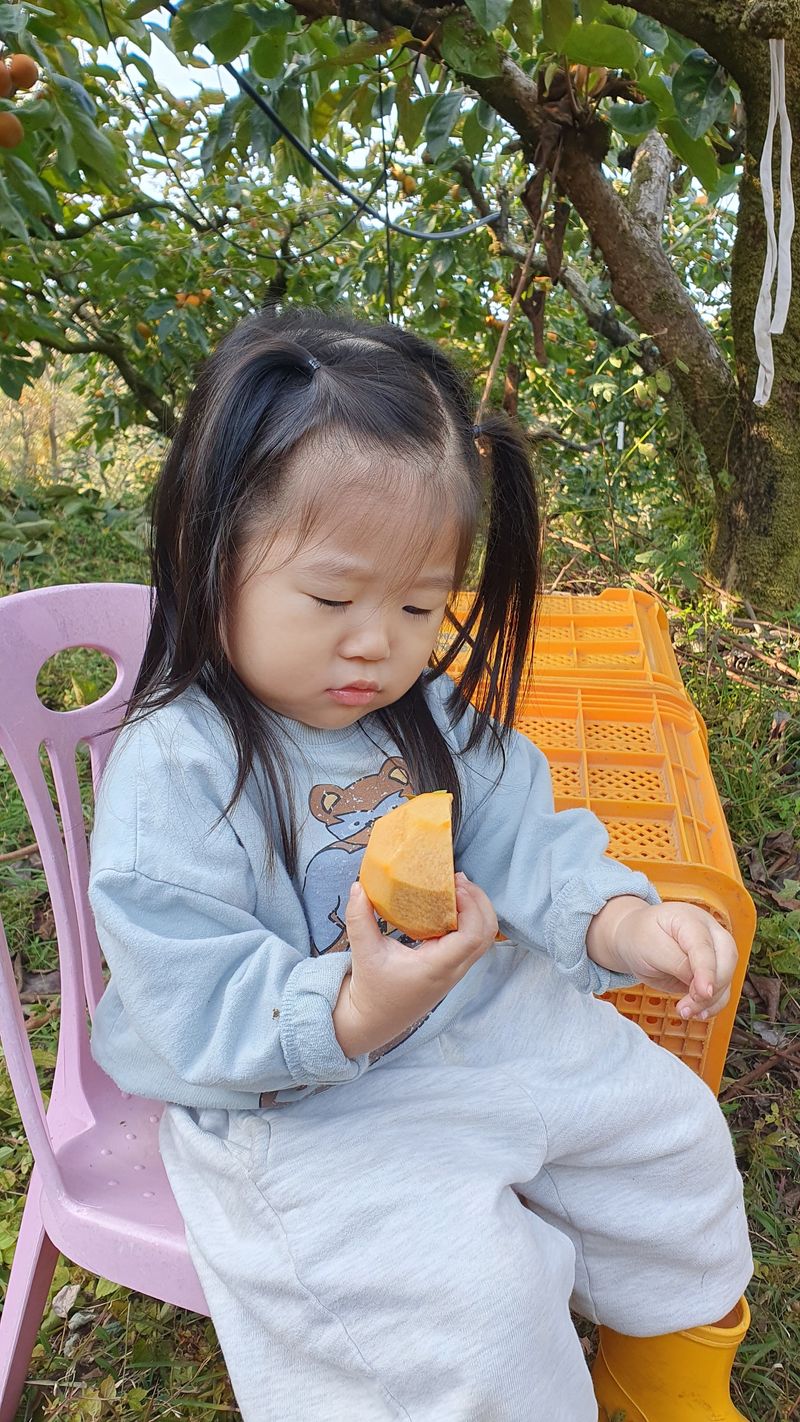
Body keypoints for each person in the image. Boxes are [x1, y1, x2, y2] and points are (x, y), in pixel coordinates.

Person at [88, 306, 753, 1422]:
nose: (375, 643)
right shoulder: (180, 767)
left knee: (671, 1139)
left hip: (477, 1023)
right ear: (212, 561)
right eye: (333, 599)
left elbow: (526, 838)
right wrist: (349, 1008)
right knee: (466, 1306)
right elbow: (186, 992)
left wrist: (620, 923)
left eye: (414, 604)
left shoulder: (422, 712)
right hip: (288, 1095)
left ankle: (662, 1386)